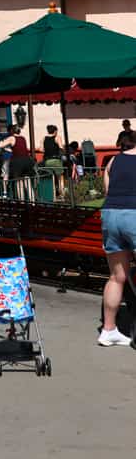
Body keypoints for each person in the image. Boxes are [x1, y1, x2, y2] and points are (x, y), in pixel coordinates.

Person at [97, 128, 136, 347]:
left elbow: (108, 191)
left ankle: (108, 330)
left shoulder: (112, 162)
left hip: (111, 216)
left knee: (116, 276)